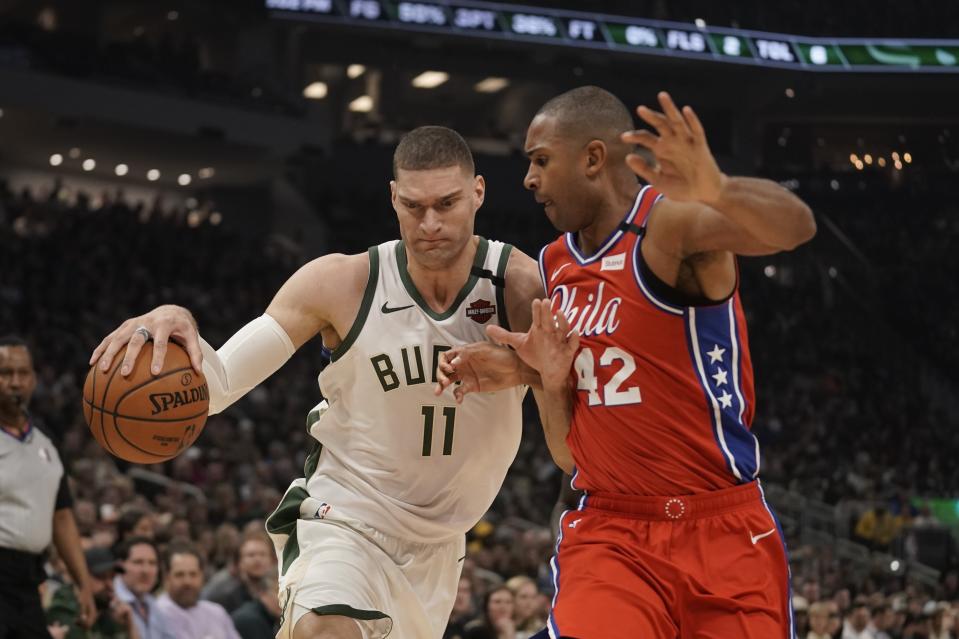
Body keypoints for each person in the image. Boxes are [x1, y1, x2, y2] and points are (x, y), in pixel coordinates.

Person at [89, 126, 546, 639]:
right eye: (414, 206)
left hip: (441, 549)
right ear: (393, 198)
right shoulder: (342, 282)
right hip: (346, 518)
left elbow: (584, 388)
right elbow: (218, 386)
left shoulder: (522, 287)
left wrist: (522, 368)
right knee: (325, 631)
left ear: (479, 192)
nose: (431, 222)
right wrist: (177, 321)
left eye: (447, 202)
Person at [436, 86, 816, 638]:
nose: (529, 179)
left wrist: (717, 188)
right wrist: (542, 376)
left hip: (723, 528)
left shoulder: (667, 227)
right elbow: (569, 454)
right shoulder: (555, 266)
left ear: (592, 158)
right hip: (611, 531)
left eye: (541, 160)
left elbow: (795, 227)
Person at [0, 335, 96, 639]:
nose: (15, 382)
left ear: (34, 379)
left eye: (23, 373)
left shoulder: (47, 441)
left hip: (28, 579)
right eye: (5, 373)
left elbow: (62, 517)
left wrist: (84, 584)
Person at [46, 546, 141, 639]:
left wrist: (130, 626)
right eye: (101, 577)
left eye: (112, 578)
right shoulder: (64, 608)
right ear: (80, 577)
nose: (110, 586)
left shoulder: (109, 609)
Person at [156, 543, 240, 639]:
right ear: (166, 578)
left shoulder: (217, 613)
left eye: (193, 574)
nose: (187, 582)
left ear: (202, 577)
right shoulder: (156, 614)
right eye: (179, 574)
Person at [112, 537, 171, 639]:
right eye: (138, 562)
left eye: (152, 563)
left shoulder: (152, 603)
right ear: (120, 566)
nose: (146, 571)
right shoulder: (110, 601)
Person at [201, 533, 275, 614]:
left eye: (263, 554)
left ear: (271, 560)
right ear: (239, 562)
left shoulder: (273, 590)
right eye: (251, 555)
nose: (258, 559)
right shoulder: (225, 592)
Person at [230, 571, 282, 639]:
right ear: (263, 593)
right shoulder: (249, 620)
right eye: (279, 592)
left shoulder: (269, 618)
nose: (286, 599)